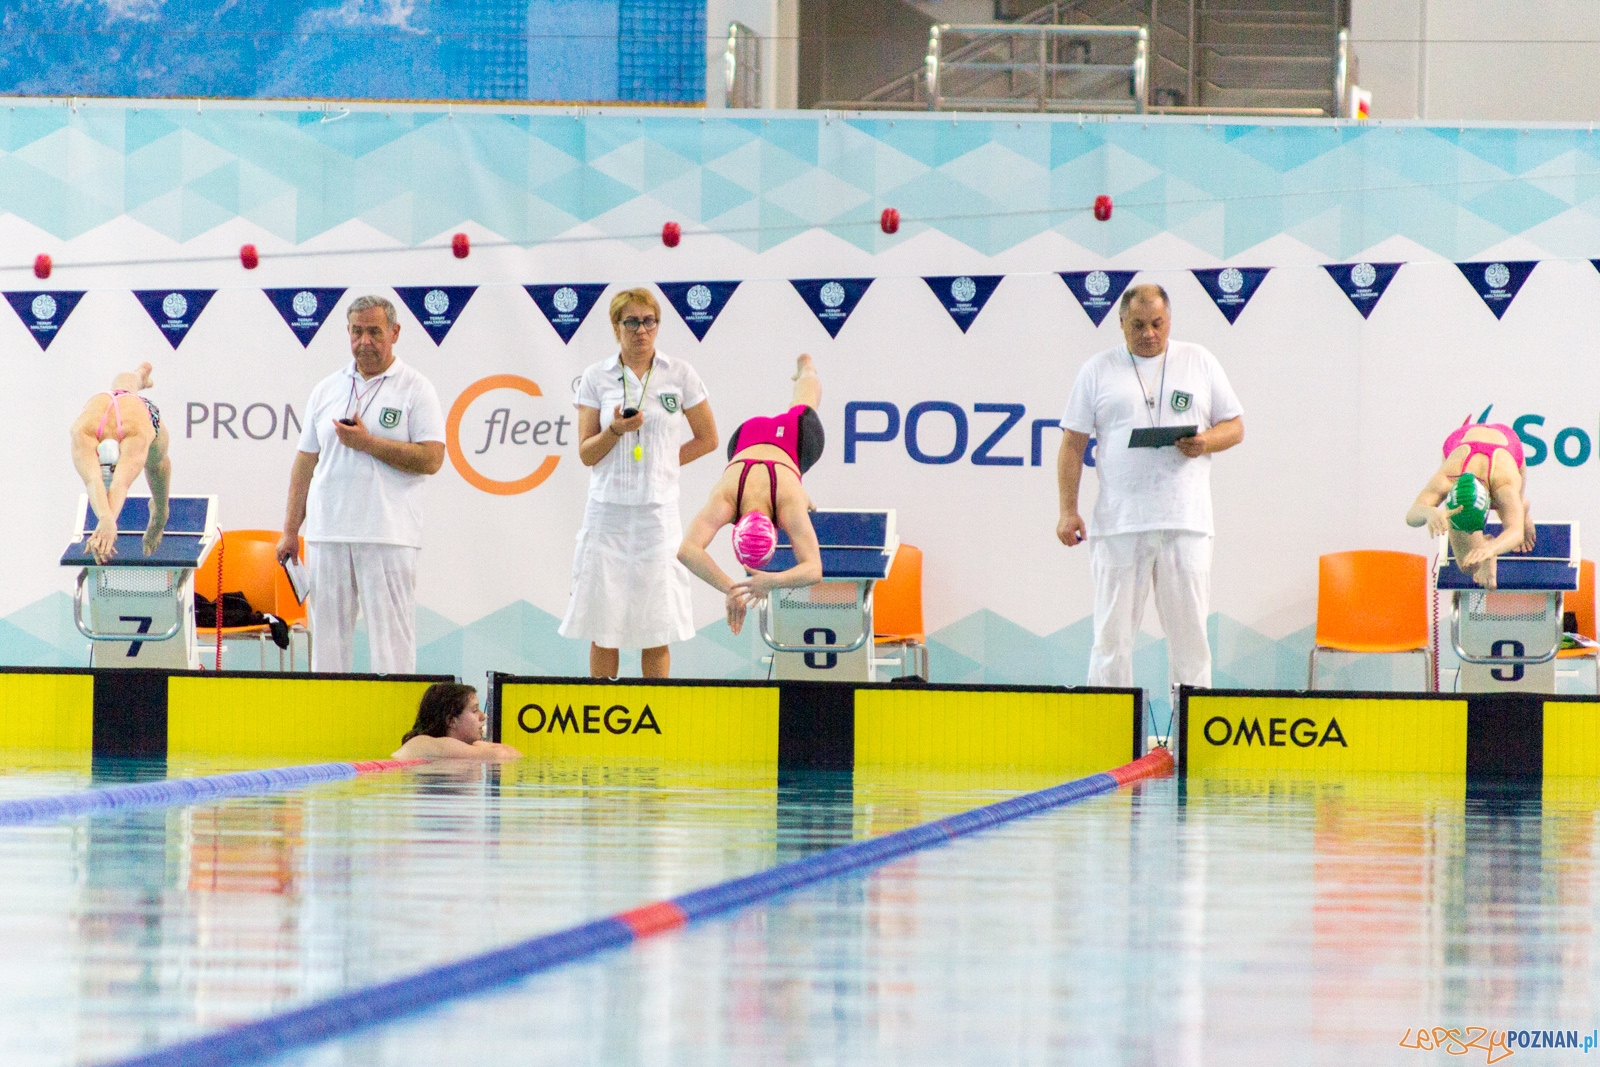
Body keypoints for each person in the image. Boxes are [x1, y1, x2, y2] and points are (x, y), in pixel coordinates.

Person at [1056, 283, 1244, 691]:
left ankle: (1192, 739)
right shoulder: (1097, 369)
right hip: (1120, 524)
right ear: (1121, 324)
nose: (1149, 334)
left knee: (1191, 641)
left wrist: (1205, 442)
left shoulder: (1199, 361)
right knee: (1111, 641)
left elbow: (1235, 427)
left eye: (1157, 324)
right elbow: (1072, 445)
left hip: (1185, 522)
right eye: (1138, 325)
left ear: (1169, 320)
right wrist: (1068, 510)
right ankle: (1109, 738)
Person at [276, 295, 446, 674]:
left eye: (374, 331)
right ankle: (330, 724)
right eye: (356, 331)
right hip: (328, 533)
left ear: (395, 333)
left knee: (392, 647)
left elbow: (432, 459)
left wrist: (368, 444)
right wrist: (290, 531)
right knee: (327, 648)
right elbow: (305, 463)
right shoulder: (326, 389)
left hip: (387, 534)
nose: (364, 341)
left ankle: (400, 729)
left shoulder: (416, 388)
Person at [561, 288, 719, 678]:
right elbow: (586, 453)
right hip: (608, 513)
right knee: (604, 627)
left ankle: (656, 713)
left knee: (657, 626)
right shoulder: (596, 378)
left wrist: (664, 463)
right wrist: (614, 429)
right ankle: (600, 713)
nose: (642, 330)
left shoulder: (679, 373)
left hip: (657, 514)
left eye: (649, 321)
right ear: (616, 327)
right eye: (631, 322)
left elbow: (708, 438)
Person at [679, 354, 825, 634]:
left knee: (804, 404)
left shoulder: (785, 505)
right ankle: (806, 367)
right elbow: (686, 551)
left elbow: (813, 570)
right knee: (803, 403)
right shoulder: (729, 496)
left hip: (794, 441)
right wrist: (733, 588)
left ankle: (808, 370)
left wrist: (769, 581)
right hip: (746, 436)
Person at [1405, 419, 1533, 589]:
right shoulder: (1447, 479)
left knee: (1516, 505)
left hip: (1508, 445)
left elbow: (1515, 532)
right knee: (1468, 566)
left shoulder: (1505, 485)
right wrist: (1430, 513)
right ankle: (1504, 521)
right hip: (1460, 441)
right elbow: (1412, 516)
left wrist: (1491, 549)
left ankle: (1523, 509)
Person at [69, 362, 171, 564]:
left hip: (140, 412)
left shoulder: (136, 433)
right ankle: (139, 376)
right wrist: (106, 519)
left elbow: (120, 483)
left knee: (156, 465)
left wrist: (109, 521)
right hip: (113, 401)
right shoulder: (82, 432)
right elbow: (93, 480)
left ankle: (160, 513)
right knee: (124, 381)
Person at [393, 683, 521, 761]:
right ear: (451, 721)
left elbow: (511, 753)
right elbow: (500, 755)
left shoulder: (456, 748)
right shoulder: (424, 744)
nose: (483, 716)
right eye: (475, 710)